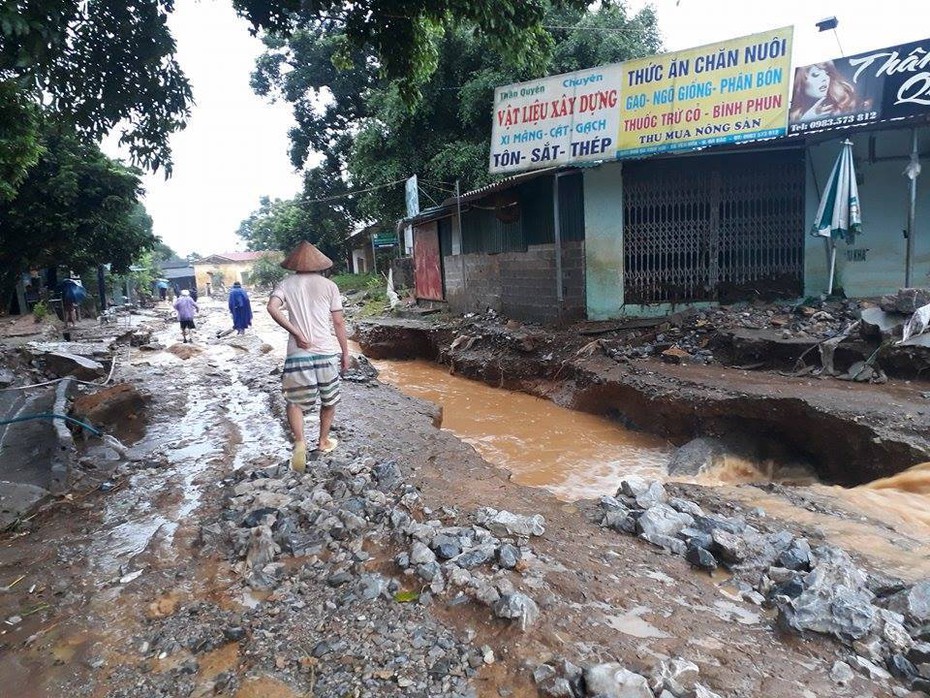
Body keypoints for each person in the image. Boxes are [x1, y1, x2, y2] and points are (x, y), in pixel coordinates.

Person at [266, 241, 350, 471]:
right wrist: (345, 352)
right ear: (319, 265)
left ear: (295, 265)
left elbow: (272, 308)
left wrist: (296, 332)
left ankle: (300, 443)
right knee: (329, 400)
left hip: (297, 354)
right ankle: (323, 441)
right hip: (325, 352)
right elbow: (339, 322)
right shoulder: (329, 286)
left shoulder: (285, 284)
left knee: (295, 402)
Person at [789, 62, 860, 123]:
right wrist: (806, 119)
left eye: (827, 73)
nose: (824, 78)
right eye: (816, 74)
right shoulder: (790, 118)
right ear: (801, 82)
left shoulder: (839, 108)